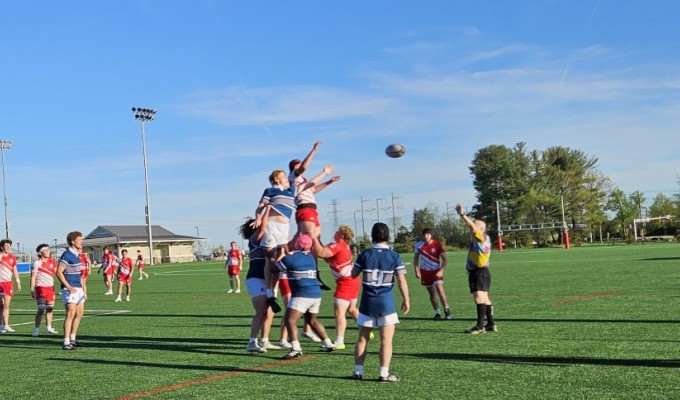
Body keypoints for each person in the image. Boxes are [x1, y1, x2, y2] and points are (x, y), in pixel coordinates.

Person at [352, 223, 409, 382]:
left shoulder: (365, 254)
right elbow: (401, 280)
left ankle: (358, 372)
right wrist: (406, 299)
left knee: (362, 338)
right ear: (387, 236)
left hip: (367, 302)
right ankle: (383, 373)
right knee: (386, 340)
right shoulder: (394, 256)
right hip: (386, 303)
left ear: (372, 236)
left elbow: (353, 274)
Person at [274, 233, 336, 359]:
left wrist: (278, 252)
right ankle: (329, 344)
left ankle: (296, 348)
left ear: (298, 244)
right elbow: (293, 260)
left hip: (301, 294)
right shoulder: (311, 258)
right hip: (315, 294)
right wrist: (286, 252)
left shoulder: (292, 258)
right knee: (312, 321)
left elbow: (275, 267)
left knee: (289, 320)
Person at [311, 224, 361, 350]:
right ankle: (366, 329)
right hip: (352, 280)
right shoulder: (343, 246)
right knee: (352, 308)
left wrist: (313, 237)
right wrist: (318, 240)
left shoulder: (338, 245)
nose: (335, 232)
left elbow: (321, 252)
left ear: (342, 235)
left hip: (346, 282)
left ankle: (340, 341)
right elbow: (325, 256)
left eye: (338, 231)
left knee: (339, 313)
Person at [240, 211, 281, 353]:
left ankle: (265, 340)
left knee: (270, 312)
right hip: (256, 279)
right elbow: (263, 227)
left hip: (269, 280)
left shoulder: (268, 241)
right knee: (261, 310)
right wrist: (268, 210)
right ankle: (252, 342)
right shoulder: (254, 239)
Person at [455, 203, 497, 334]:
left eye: (475, 224)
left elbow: (473, 228)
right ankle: (490, 324)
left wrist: (462, 215)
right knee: (485, 298)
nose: (471, 226)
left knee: (479, 297)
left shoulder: (481, 237)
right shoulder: (484, 238)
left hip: (479, 272)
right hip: (483, 272)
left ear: (481, 229)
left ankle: (480, 326)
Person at [55, 231, 86, 350]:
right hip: (70, 289)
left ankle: (73, 339)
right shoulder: (67, 255)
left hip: (78, 288)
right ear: (73, 241)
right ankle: (66, 342)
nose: (81, 241)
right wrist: (67, 286)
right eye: (79, 239)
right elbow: (59, 272)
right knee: (70, 314)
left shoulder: (77, 254)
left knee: (79, 314)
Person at [414, 228, 451, 320]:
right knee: (432, 293)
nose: (426, 236)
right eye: (424, 234)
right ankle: (437, 312)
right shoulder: (419, 245)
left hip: (436, 271)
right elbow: (416, 259)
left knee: (440, 289)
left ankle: (447, 311)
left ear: (431, 235)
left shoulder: (437, 245)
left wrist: (441, 270)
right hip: (425, 272)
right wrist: (416, 270)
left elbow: (445, 260)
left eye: (428, 234)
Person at [30, 244, 59, 336]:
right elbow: (33, 277)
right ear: (40, 253)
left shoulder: (53, 262)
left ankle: (49, 328)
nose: (48, 252)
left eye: (48, 250)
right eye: (46, 250)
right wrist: (32, 289)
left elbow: (57, 273)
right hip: (40, 288)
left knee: (50, 309)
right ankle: (36, 329)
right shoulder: (37, 263)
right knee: (41, 308)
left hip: (50, 288)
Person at [0, 239, 21, 333]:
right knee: (1, 305)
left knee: (6, 305)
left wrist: (18, 282)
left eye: (9, 246)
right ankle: (1, 325)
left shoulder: (12, 257)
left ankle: (6, 325)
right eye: (6, 246)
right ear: (2, 247)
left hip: (8, 283)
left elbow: (15, 270)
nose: (8, 247)